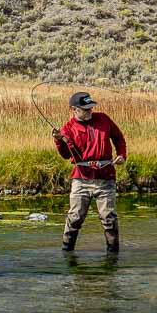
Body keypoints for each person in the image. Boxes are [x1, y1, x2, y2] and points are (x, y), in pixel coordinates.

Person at [53, 91, 127, 261]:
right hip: (81, 179)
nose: (89, 111)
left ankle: (113, 257)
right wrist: (58, 140)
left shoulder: (104, 119)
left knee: (109, 218)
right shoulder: (67, 129)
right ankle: (67, 254)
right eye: (85, 109)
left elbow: (119, 138)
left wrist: (122, 155)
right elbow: (65, 155)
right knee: (75, 217)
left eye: (91, 108)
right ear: (73, 109)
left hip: (106, 177)